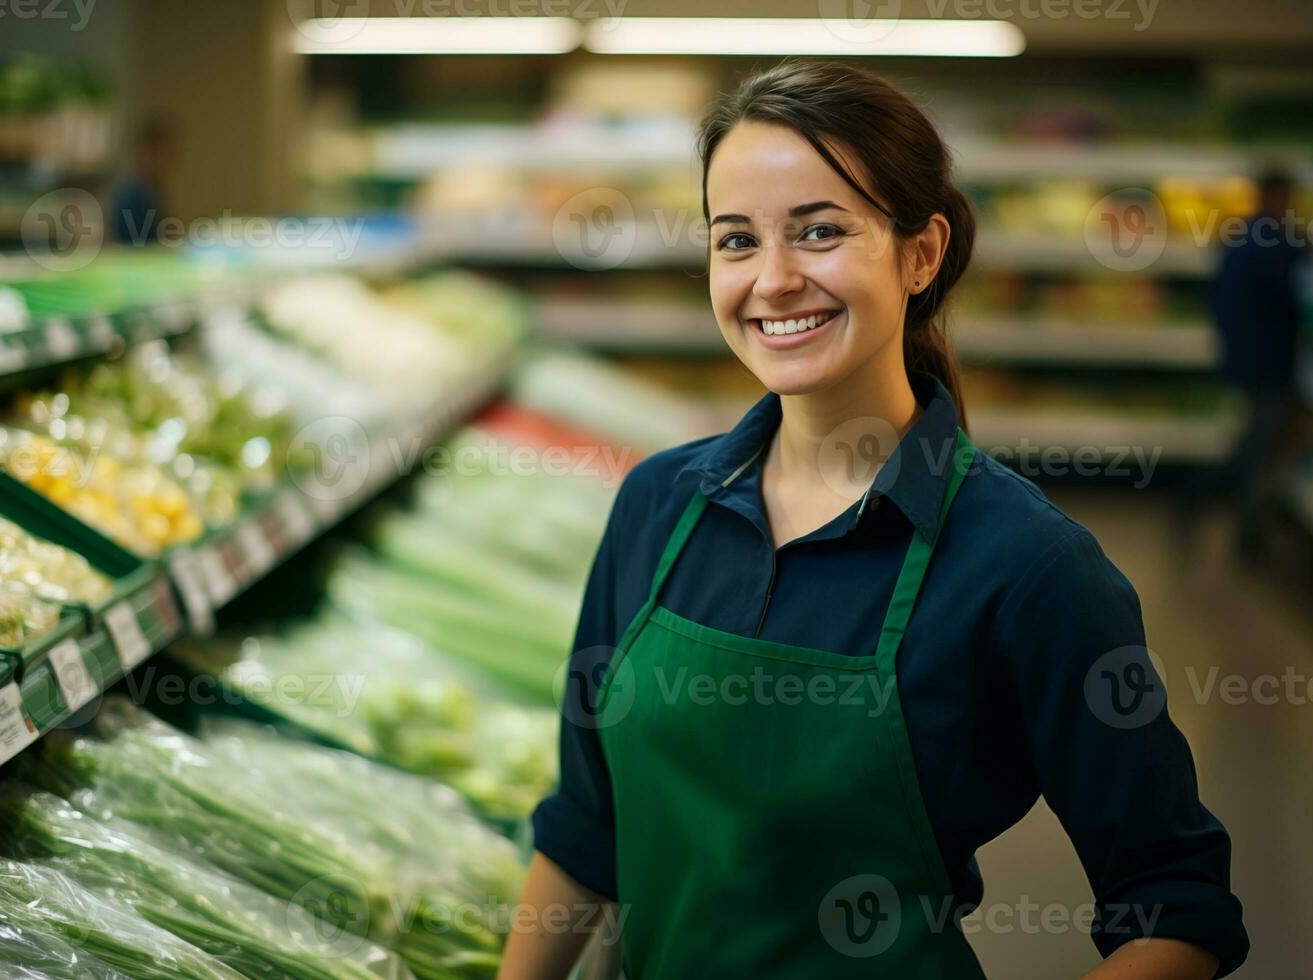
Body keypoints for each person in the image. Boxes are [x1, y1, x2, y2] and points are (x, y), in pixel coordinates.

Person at [499, 61, 1248, 980]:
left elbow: (1176, 905)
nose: (773, 280)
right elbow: (587, 823)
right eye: (736, 241)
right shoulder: (657, 507)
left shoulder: (1028, 566)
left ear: (920, 253)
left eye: (820, 232)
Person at [1206, 168, 1310, 557]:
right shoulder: (1273, 241)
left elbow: (1216, 297)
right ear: (1277, 196)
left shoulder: (1241, 236)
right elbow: (1287, 293)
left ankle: (1220, 511)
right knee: (1257, 446)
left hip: (1247, 358)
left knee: (1256, 440)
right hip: (1268, 361)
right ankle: (1238, 526)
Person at [108, 113, 177, 246]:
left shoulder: (151, 190)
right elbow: (137, 248)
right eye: (162, 152)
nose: (168, 161)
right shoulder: (133, 195)